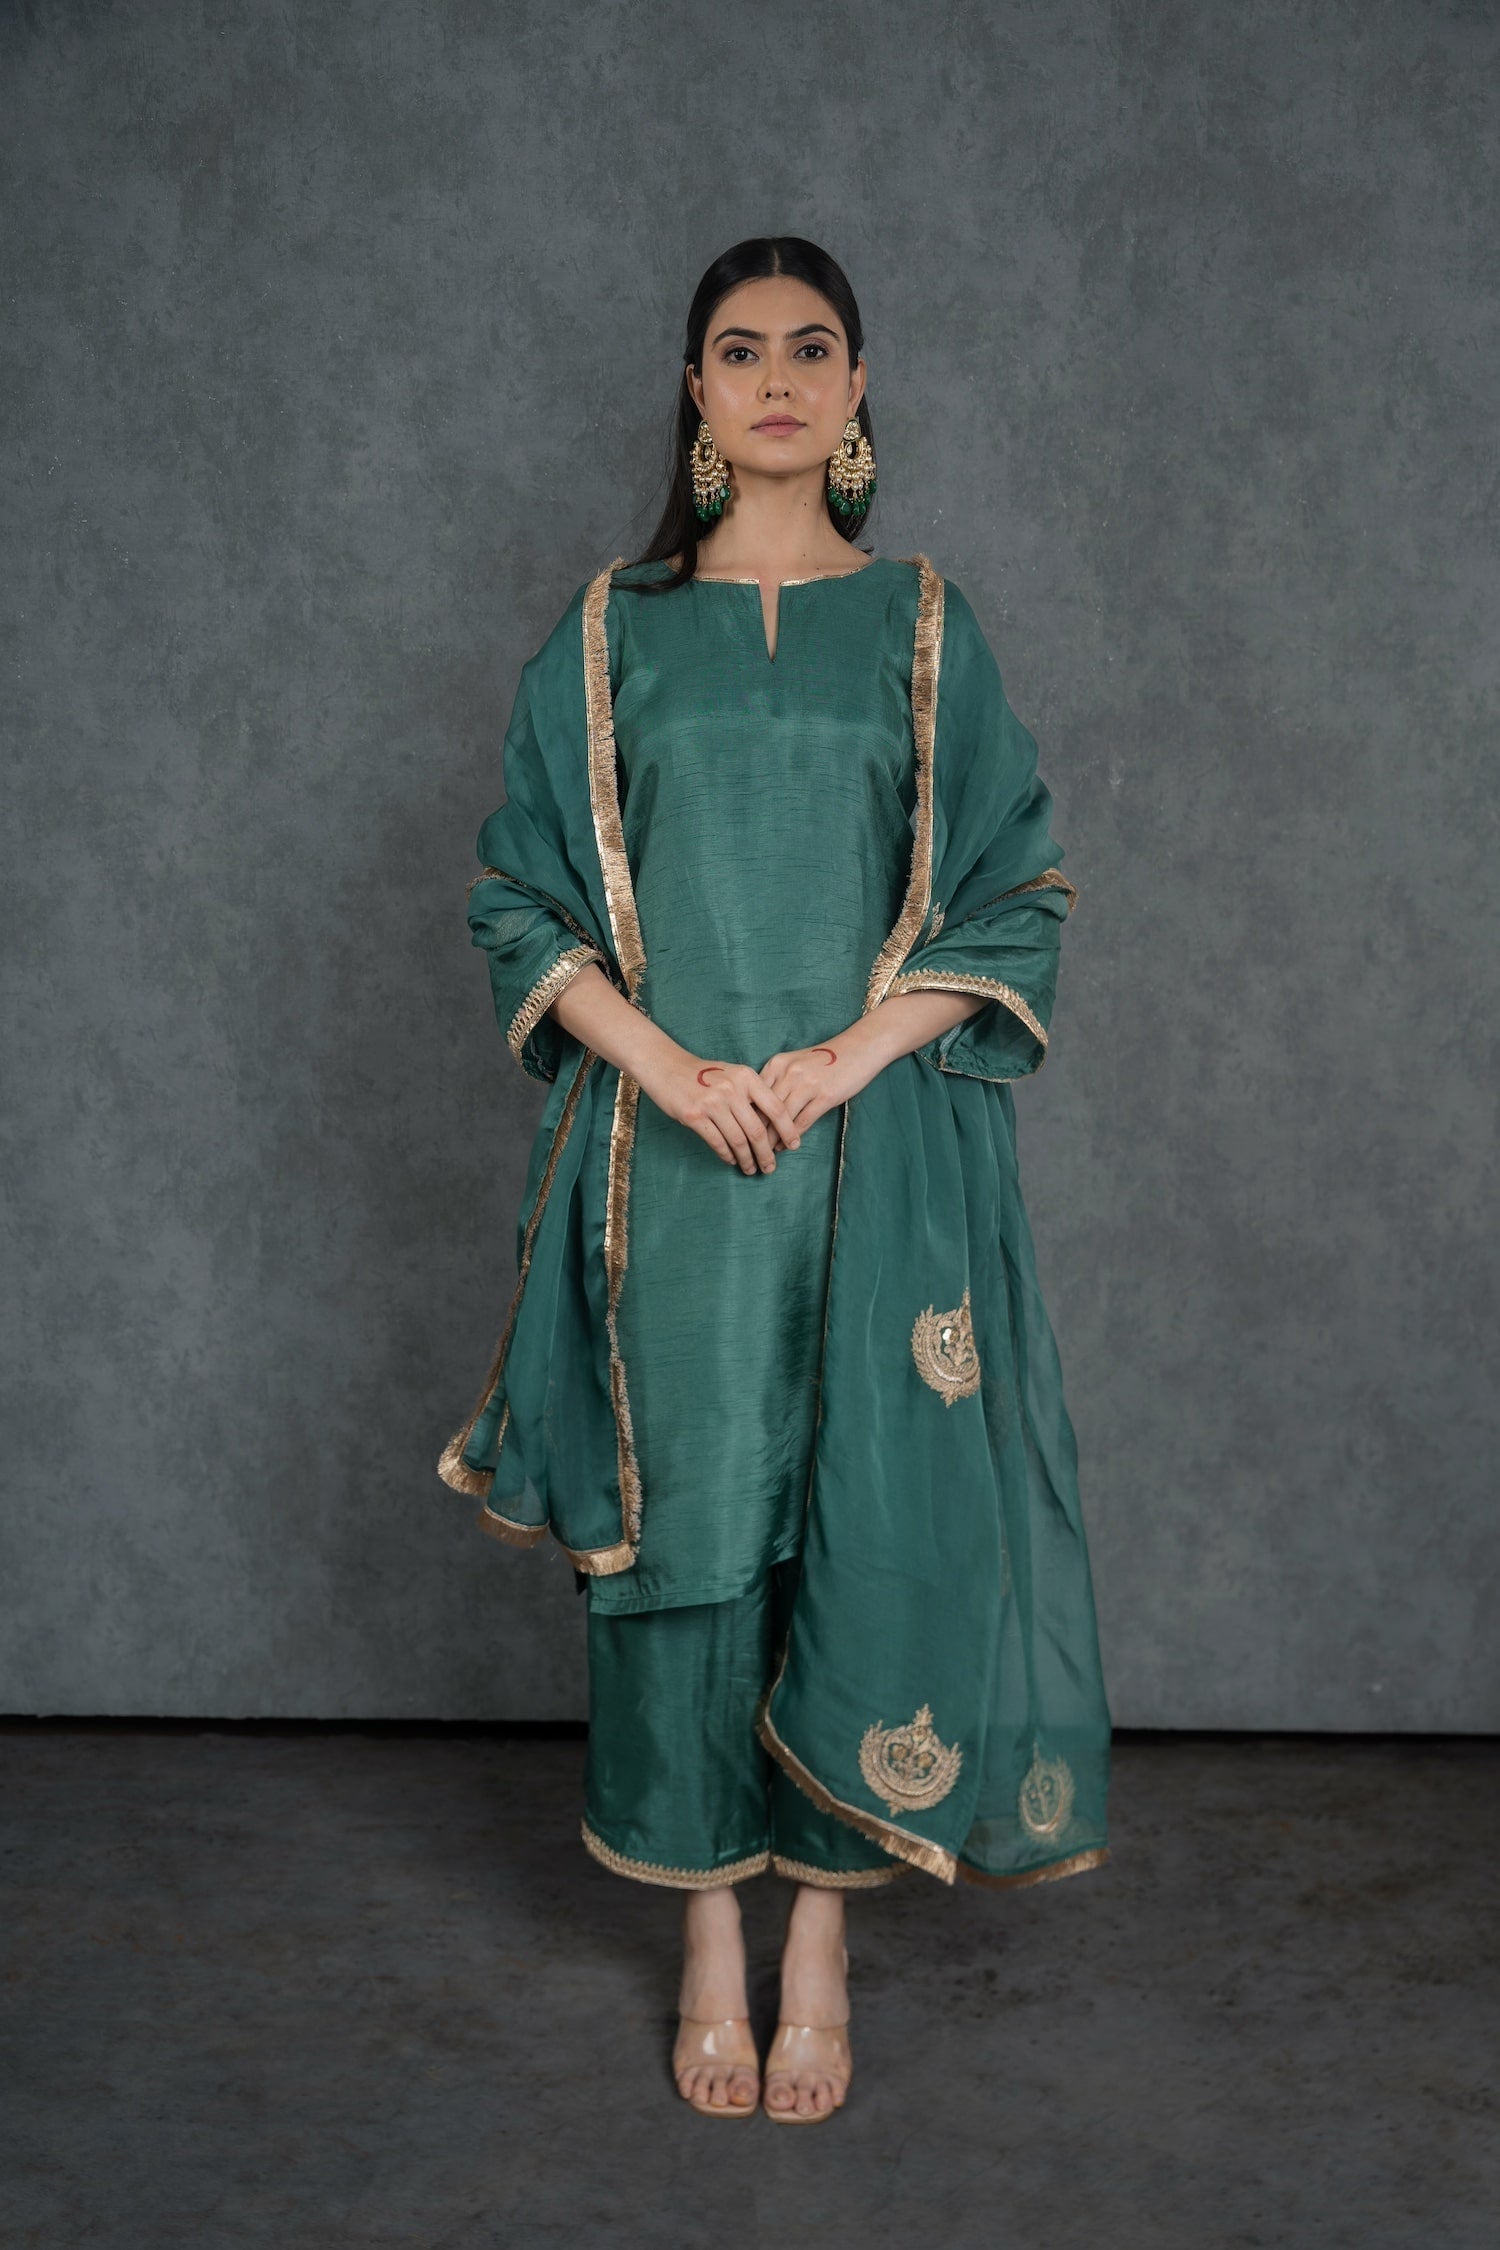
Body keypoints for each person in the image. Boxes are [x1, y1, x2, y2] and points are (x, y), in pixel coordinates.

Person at [438, 235, 1112, 2124]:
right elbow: (519, 899)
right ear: (696, 392)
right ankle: (707, 1936)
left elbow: (1016, 892)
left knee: (864, 1525)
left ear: (860, 386)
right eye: (741, 352)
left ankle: (820, 1942)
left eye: (815, 349)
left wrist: (841, 1060)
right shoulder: (609, 633)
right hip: (671, 1163)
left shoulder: (923, 624)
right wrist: (672, 1069)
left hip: (873, 1155)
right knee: (689, 1540)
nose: (780, 381)